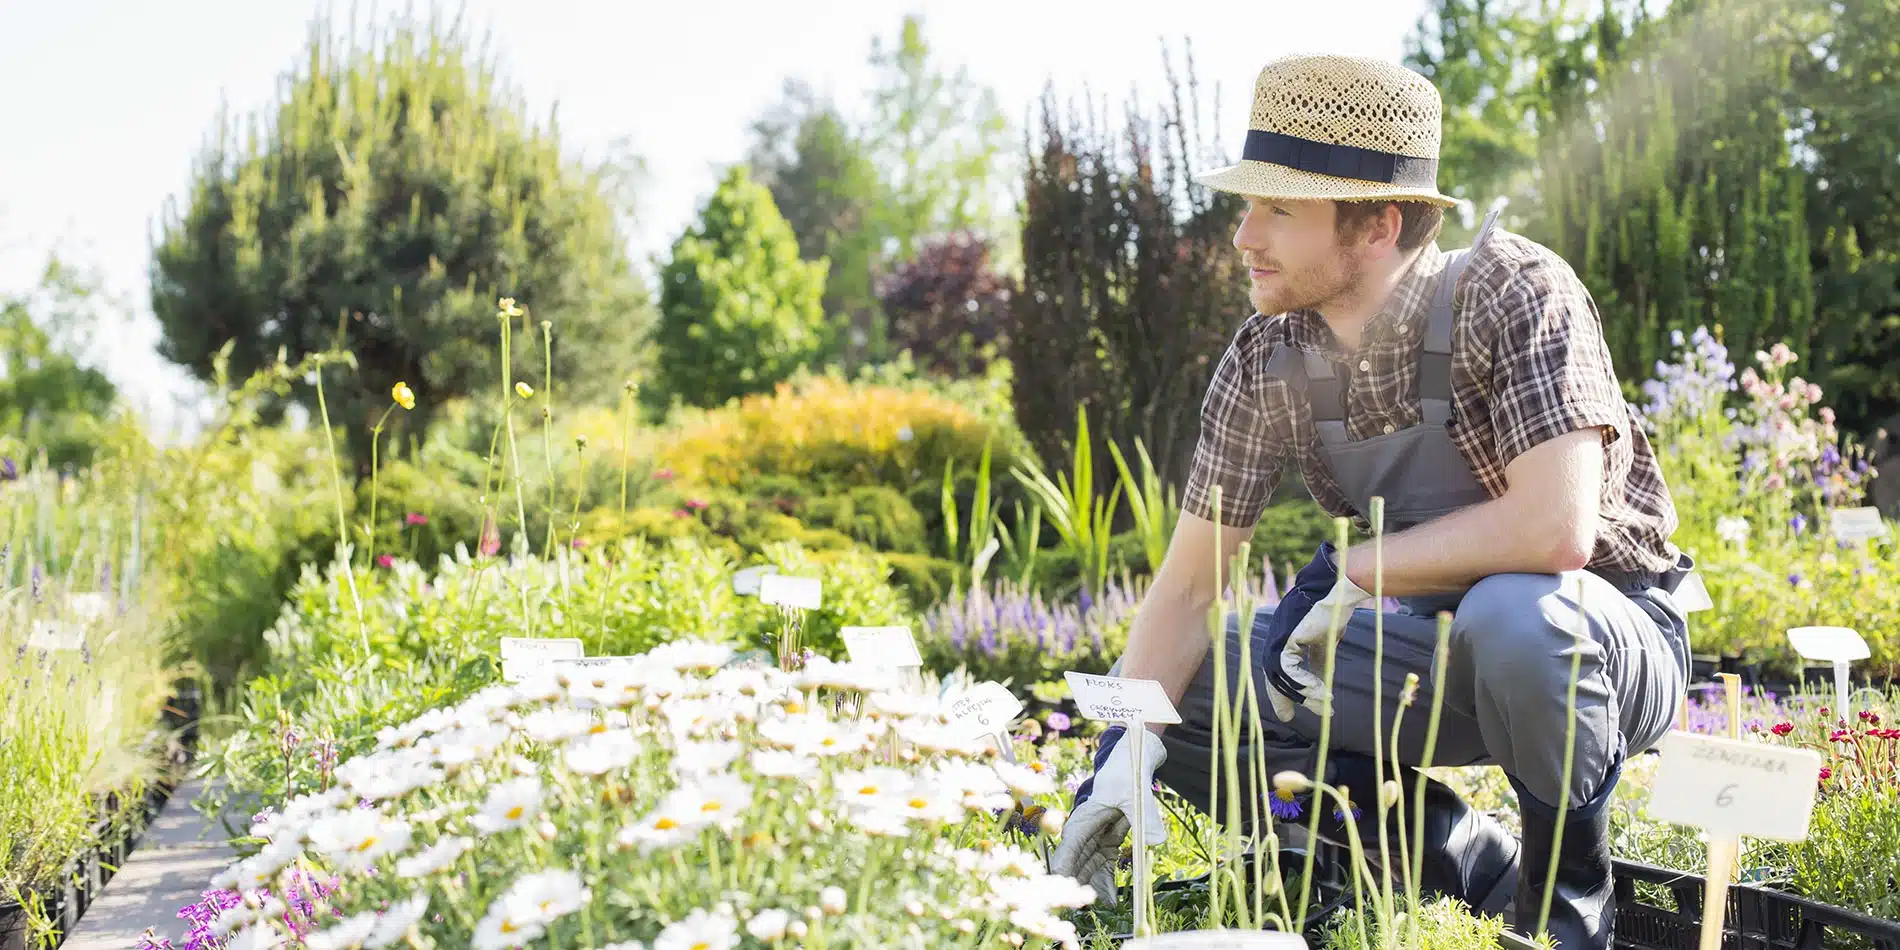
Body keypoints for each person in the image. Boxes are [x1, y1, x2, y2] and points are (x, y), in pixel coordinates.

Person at [1045, 53, 1696, 950]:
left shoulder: (1515, 293)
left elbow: (1556, 529)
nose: (1244, 237)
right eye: (1248, 205)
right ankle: (1458, 856)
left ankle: (1567, 912)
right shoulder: (1269, 354)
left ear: (1379, 224)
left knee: (1517, 612)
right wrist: (1113, 764)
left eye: (1279, 209)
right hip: (1428, 656)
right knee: (1190, 692)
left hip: (1599, 645)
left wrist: (1351, 568)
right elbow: (1188, 591)